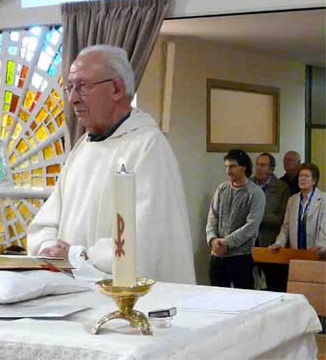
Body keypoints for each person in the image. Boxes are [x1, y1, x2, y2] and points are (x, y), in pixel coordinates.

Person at [27, 44, 195, 284]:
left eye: (82, 87)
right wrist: (48, 248)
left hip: (125, 296)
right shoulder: (83, 148)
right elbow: (47, 221)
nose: (73, 98)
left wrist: (76, 256)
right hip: (70, 290)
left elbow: (146, 241)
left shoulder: (147, 147)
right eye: (70, 88)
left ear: (116, 88)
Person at [206, 149, 265, 289]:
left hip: (240, 257)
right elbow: (212, 218)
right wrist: (213, 240)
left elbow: (251, 227)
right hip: (217, 256)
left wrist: (227, 242)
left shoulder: (255, 193)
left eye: (232, 166)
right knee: (216, 297)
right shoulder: (222, 189)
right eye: (226, 166)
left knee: (243, 297)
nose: (228, 171)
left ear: (243, 167)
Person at [252, 153, 290, 291]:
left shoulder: (281, 188)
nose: (259, 168)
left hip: (270, 243)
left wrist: (257, 217)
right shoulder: (248, 184)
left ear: (272, 169)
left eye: (263, 165)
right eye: (257, 164)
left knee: (273, 286)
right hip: (249, 242)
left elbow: (282, 218)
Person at [270, 163, 325, 258]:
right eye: (300, 176)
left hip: (317, 254)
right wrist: (279, 243)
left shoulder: (323, 199)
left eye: (306, 176)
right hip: (295, 254)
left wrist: (320, 246)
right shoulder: (292, 200)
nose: (302, 178)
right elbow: (285, 227)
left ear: (314, 181)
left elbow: (324, 228)